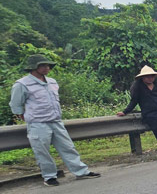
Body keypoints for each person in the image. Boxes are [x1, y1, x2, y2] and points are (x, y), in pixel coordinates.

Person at [9, 54, 101, 186]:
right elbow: (16, 104)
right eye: (43, 65)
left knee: (68, 147)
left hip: (55, 121)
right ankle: (49, 177)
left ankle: (81, 171)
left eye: (48, 65)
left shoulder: (52, 81)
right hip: (38, 123)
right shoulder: (22, 84)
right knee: (42, 151)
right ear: (34, 67)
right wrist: (23, 116)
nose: (47, 68)